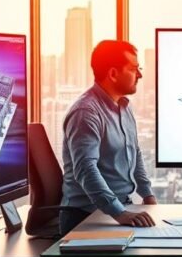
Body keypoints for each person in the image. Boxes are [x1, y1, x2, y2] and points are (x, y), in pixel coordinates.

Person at [59, 40, 157, 234]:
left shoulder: (124, 107)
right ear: (112, 74)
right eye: (133, 69)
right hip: (86, 217)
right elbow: (86, 169)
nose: (140, 75)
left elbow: (134, 152)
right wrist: (119, 213)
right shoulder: (86, 112)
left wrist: (148, 196)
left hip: (118, 210)